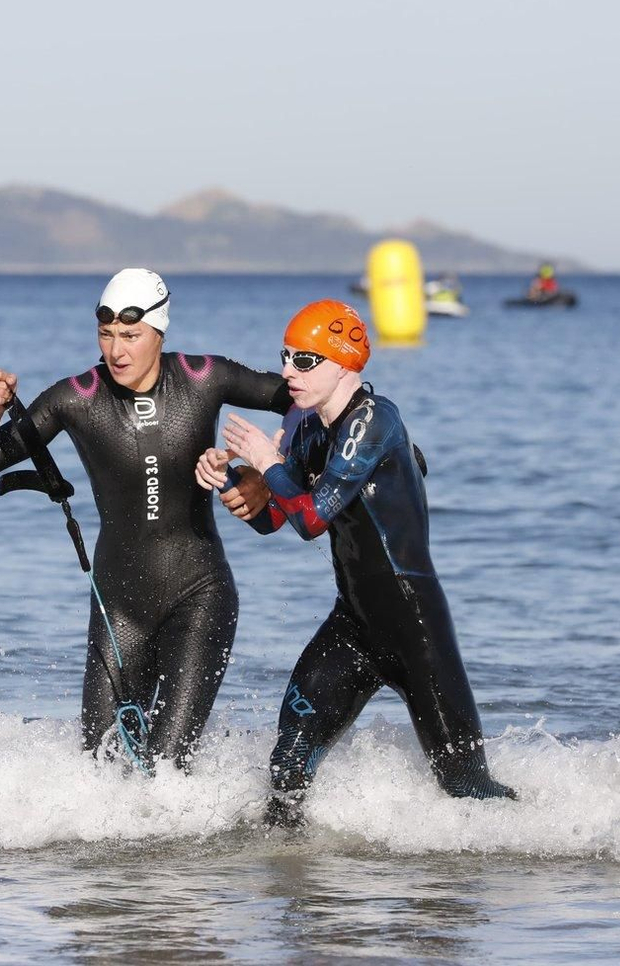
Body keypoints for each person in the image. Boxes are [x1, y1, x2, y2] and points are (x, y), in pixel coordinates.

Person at [199, 299, 515, 825]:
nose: (286, 372)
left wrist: (268, 462)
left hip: (414, 624)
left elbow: (312, 520)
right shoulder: (306, 427)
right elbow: (278, 520)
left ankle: (555, 855)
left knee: (465, 786)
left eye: (305, 360)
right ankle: (292, 886)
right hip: (354, 624)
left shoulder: (374, 420)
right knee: (288, 764)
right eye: (286, 356)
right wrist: (232, 481)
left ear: (343, 362)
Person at [0, 268, 288, 770]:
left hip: (199, 597)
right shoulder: (77, 397)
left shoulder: (205, 377)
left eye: (131, 336)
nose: (117, 351)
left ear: (160, 331)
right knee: (99, 769)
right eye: (106, 334)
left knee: (168, 767)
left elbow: (308, 403)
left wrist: (268, 471)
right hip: (119, 608)